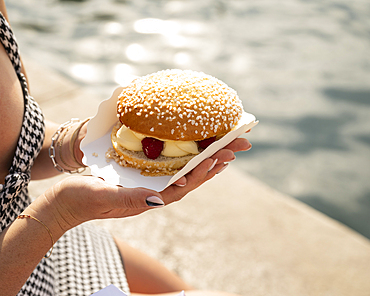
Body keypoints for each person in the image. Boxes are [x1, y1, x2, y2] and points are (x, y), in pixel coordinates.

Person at [0, 1, 252, 295]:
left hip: (42, 231)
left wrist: (82, 141)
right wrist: (59, 213)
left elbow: (15, 151)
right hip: (22, 254)